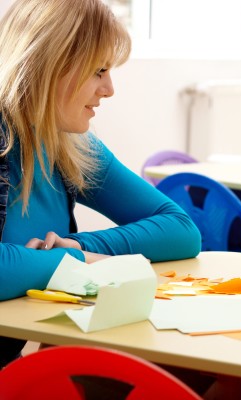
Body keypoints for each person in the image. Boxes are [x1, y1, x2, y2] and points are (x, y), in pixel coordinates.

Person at [0, 0, 201, 368]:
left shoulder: (68, 143)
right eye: (99, 71)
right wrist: (75, 261)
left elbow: (181, 229)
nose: (109, 89)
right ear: (49, 65)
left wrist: (78, 244)